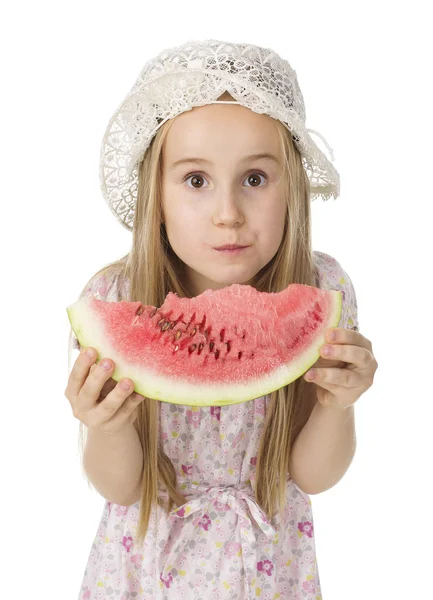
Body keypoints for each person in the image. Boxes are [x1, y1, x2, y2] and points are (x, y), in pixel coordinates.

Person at [65, 39, 378, 599]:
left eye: (255, 179)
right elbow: (121, 485)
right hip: (145, 570)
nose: (228, 213)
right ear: (154, 196)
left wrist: (338, 405)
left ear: (294, 190)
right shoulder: (115, 296)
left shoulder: (322, 291)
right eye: (196, 180)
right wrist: (106, 424)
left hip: (268, 570)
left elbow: (313, 476)